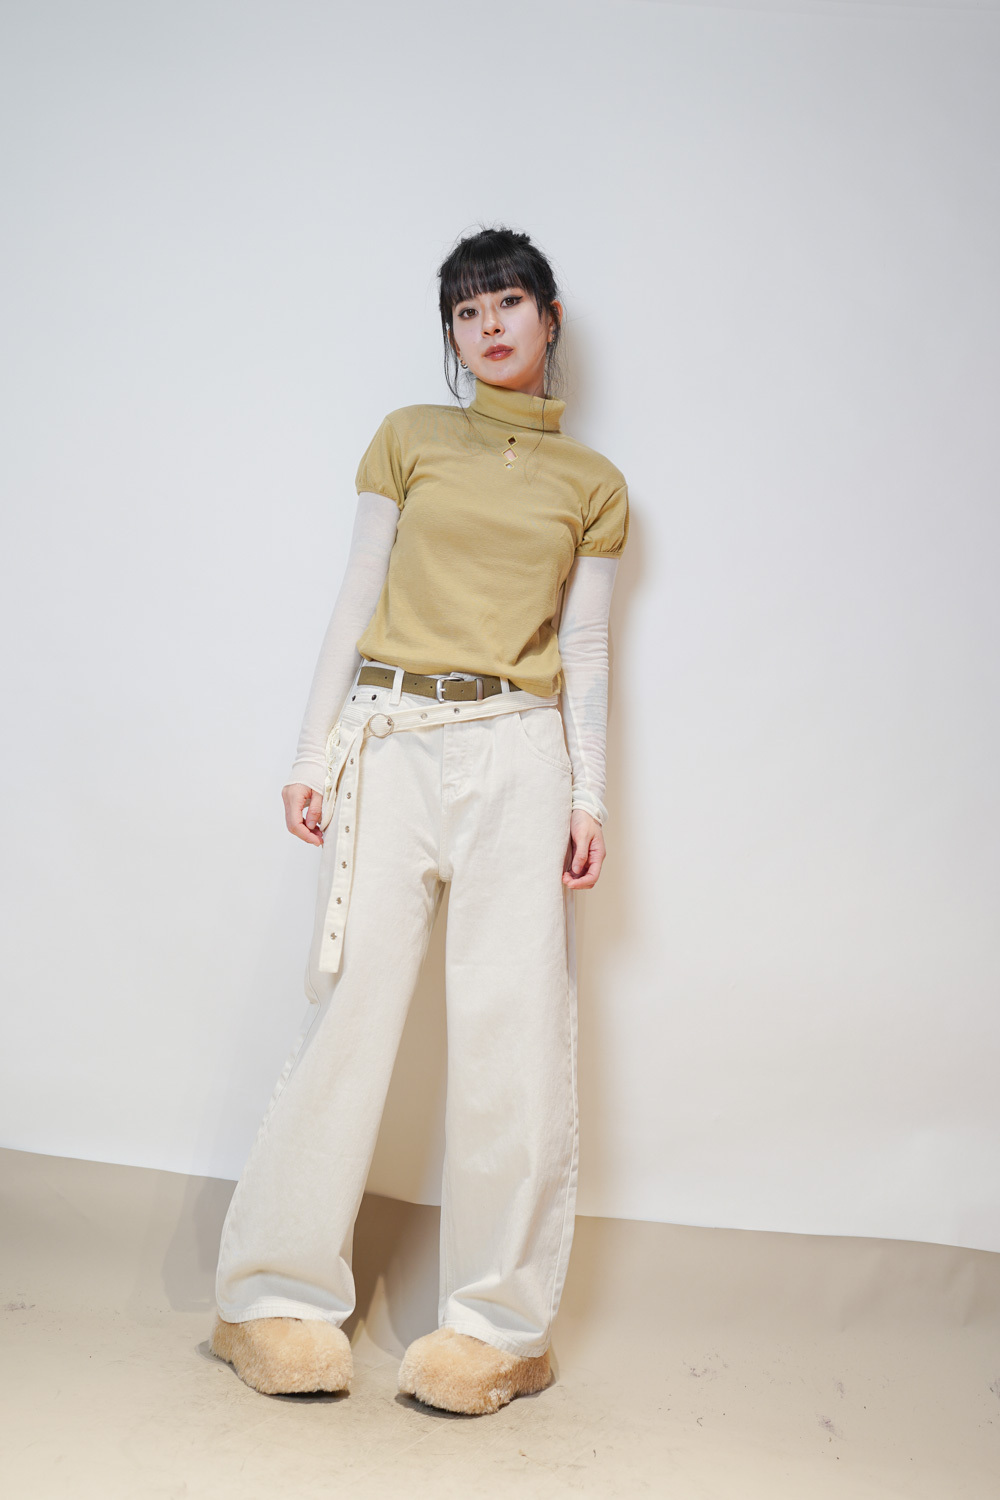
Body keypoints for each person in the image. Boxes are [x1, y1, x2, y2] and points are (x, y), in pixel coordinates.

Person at [210, 226, 630, 1415]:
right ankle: (269, 1298)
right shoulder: (408, 438)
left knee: (514, 1031)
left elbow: (586, 647)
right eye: (465, 312)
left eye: (508, 304)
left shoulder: (593, 484)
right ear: (450, 332)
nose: (488, 326)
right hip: (389, 738)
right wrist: (311, 754)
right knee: (351, 1010)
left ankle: (501, 1329)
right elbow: (356, 595)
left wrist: (587, 794)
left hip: (520, 748)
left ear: (549, 317)